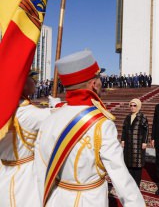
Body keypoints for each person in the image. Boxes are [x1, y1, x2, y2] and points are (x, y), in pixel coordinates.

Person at [34, 50, 145, 207]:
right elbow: (120, 177)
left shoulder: (49, 119)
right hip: (89, 200)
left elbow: (39, 171)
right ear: (94, 84)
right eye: (99, 77)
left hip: (55, 199)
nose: (101, 82)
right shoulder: (102, 124)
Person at [0, 71, 58, 207]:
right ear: (22, 84)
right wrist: (56, 105)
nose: (35, 81)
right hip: (25, 175)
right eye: (31, 78)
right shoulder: (27, 112)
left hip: (4, 169)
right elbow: (63, 117)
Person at [121, 98, 149, 187]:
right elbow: (124, 130)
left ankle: (136, 184)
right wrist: (122, 140)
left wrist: (145, 142)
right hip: (128, 145)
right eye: (131, 105)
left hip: (138, 144)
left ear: (138, 106)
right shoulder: (128, 117)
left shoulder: (142, 116)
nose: (132, 107)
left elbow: (146, 130)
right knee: (129, 163)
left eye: (134, 105)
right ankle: (130, 183)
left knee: (137, 165)